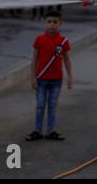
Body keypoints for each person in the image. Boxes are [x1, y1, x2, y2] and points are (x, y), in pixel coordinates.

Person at [26, 10, 73, 142]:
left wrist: (70, 78)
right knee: (40, 105)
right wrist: (32, 77)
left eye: (55, 22)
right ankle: (37, 131)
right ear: (45, 23)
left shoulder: (63, 41)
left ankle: (51, 131)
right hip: (41, 79)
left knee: (52, 105)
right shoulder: (39, 40)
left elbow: (67, 60)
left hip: (57, 80)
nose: (52, 25)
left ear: (60, 24)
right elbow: (34, 59)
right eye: (49, 22)